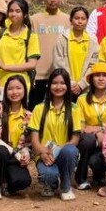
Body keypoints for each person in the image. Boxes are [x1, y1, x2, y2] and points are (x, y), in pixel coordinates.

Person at [28, 68, 82, 200]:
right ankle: (51, 183)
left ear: (68, 86)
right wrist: (43, 152)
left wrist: (58, 151)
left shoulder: (74, 109)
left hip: (64, 152)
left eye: (63, 83)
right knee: (47, 175)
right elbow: (34, 138)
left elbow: (75, 138)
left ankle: (66, 185)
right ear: (48, 85)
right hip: (44, 154)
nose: (58, 87)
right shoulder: (39, 108)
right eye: (54, 83)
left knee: (70, 150)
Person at [0, 74, 34, 200]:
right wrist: (14, 152)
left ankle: (5, 184)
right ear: (5, 91)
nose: (14, 92)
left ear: (24, 90)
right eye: (10, 89)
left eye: (18, 88)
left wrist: (25, 153)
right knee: (1, 151)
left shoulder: (28, 116)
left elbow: (27, 144)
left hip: (14, 160)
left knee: (24, 181)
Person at [76, 63, 106, 191]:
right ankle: (81, 179)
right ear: (91, 79)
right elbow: (81, 127)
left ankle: (100, 174)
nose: (100, 79)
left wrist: (99, 130)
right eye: (97, 75)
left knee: (97, 161)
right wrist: (98, 132)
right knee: (87, 140)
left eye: (104, 76)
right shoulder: (82, 100)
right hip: (91, 141)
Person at [30, 0, 70, 105]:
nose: (53, 0)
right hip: (39, 74)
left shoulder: (67, 19)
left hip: (60, 73)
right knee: (35, 109)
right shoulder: (35, 19)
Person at [0, 0, 40, 98]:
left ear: (25, 14)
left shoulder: (31, 36)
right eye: (11, 11)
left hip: (20, 85)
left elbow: (32, 64)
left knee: (18, 113)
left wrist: (5, 67)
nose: (13, 14)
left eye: (18, 11)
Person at [50, 6, 93, 96]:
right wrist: (71, 83)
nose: (80, 21)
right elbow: (58, 62)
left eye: (83, 19)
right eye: (76, 18)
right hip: (66, 87)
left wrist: (82, 84)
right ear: (71, 20)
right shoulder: (62, 38)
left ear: (87, 20)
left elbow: (93, 65)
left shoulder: (93, 40)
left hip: (86, 88)